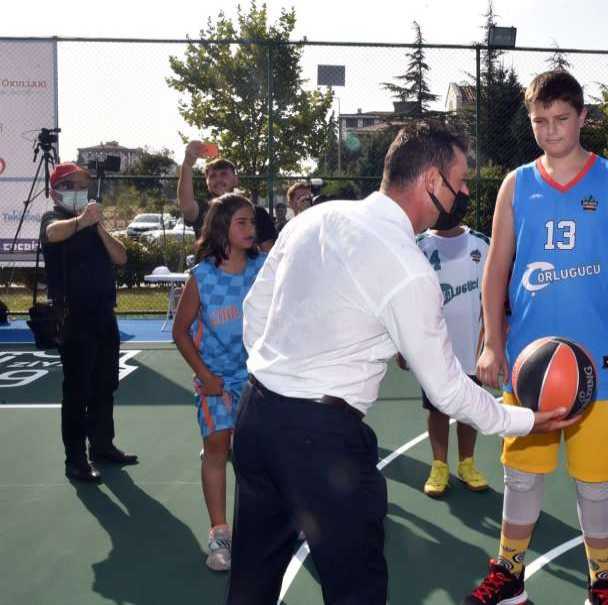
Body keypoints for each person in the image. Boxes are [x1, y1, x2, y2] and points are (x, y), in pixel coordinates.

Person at [228, 123, 575, 604]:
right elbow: (448, 390)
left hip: (256, 416)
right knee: (357, 591)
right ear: (432, 180)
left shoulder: (315, 218)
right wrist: (526, 420)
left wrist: (276, 374)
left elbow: (255, 310)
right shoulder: (408, 268)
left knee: (251, 581)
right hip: (322, 443)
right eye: (459, 180)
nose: (464, 192)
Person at [467, 70, 608, 605]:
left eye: (561, 119)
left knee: (596, 485)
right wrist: (492, 341)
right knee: (521, 476)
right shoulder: (516, 185)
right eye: (540, 121)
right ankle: (510, 574)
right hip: (532, 366)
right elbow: (496, 269)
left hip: (602, 366)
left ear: (583, 117)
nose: (550, 130)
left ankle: (601, 580)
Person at [172, 194, 266, 571]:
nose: (250, 229)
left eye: (252, 222)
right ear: (222, 227)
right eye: (242, 222)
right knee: (216, 446)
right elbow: (180, 332)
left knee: (252, 453)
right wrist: (205, 376)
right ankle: (220, 533)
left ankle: (258, 527)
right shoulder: (202, 277)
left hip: (257, 377)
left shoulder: (263, 268)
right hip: (215, 379)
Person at [40, 162, 137, 483]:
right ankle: (76, 459)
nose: (78, 191)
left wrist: (97, 227)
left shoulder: (94, 226)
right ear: (55, 192)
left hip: (104, 314)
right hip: (74, 316)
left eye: (82, 185)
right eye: (70, 185)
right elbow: (52, 234)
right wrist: (82, 220)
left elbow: (121, 257)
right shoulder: (53, 218)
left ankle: (102, 445)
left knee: (105, 383)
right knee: (77, 389)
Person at [402, 218, 492, 497]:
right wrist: (402, 345)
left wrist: (491, 342)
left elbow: (493, 296)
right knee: (437, 408)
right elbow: (406, 300)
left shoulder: (482, 244)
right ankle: (439, 466)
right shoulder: (416, 246)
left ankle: (467, 463)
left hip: (472, 345)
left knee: (470, 408)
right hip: (434, 347)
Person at [177, 141, 278, 251]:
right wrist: (187, 164)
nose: (218, 179)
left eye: (224, 174)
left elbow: (269, 254)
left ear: (236, 180)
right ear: (207, 183)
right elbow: (186, 206)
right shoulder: (202, 209)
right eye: (212, 176)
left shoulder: (257, 212)